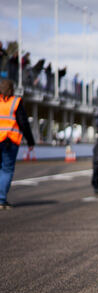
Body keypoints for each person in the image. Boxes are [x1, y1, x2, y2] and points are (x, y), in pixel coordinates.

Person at [0, 79, 35, 210]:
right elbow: (23, 123)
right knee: (6, 170)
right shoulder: (15, 102)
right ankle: (1, 199)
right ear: (12, 89)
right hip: (9, 141)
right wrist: (30, 141)